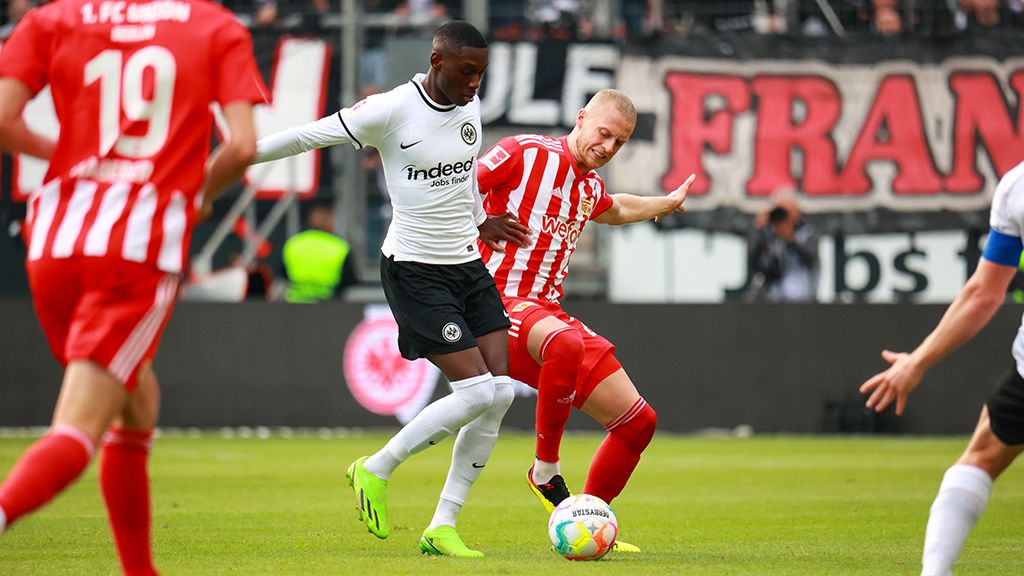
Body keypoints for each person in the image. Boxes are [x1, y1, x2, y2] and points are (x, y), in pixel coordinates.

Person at [0, 2, 264, 574]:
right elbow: (242, 146)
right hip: (135, 246)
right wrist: (197, 193)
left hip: (55, 241)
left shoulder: (52, 18)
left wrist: (79, 161)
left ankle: (140, 571)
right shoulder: (213, 25)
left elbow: (3, 119)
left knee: (137, 402)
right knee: (79, 426)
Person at [251, 21, 531, 557]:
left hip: (467, 265)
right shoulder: (391, 109)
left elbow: (466, 174)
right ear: (437, 60)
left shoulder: (469, 108)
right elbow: (309, 135)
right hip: (415, 270)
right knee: (475, 391)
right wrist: (238, 154)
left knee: (499, 394)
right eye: (467, 71)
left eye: (482, 73)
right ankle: (375, 469)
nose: (475, 83)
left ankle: (442, 526)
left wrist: (481, 219)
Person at [476, 88, 693, 552]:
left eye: (620, 142)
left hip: (547, 314)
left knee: (638, 423)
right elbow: (456, 185)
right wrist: (479, 223)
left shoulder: (588, 187)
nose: (610, 147)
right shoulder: (523, 152)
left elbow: (616, 209)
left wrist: (667, 203)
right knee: (566, 344)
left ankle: (585, 522)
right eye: (605, 133)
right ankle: (545, 470)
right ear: (581, 118)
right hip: (496, 302)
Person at [859, 160, 1024, 576]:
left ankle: (935, 572)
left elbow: (983, 294)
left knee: (981, 457)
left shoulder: (1016, 187)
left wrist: (918, 362)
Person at [746, 194, 819, 302]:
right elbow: (755, 263)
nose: (782, 221)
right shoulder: (769, 235)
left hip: (803, 297)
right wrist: (759, 231)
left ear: (796, 212)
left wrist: (790, 238)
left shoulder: (807, 232)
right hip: (775, 297)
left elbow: (810, 259)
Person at [282, 201, 357, 302]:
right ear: (330, 221)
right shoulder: (340, 247)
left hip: (296, 305)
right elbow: (350, 280)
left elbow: (283, 275)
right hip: (329, 306)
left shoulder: (293, 244)